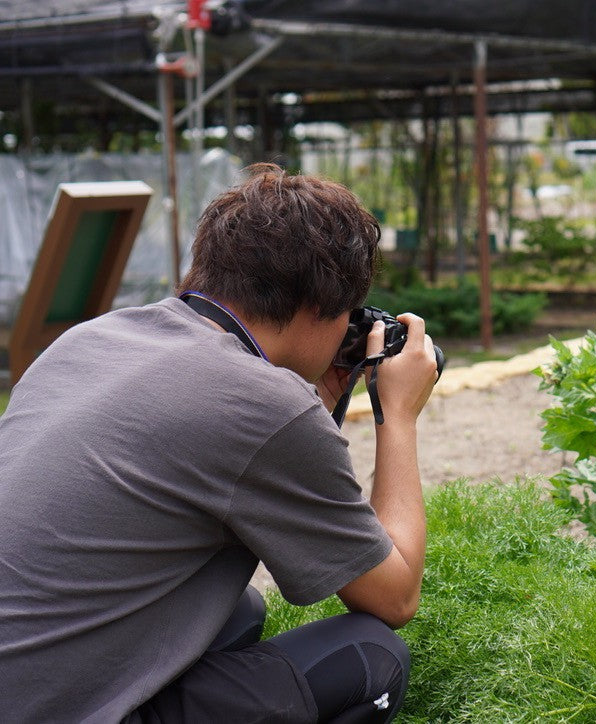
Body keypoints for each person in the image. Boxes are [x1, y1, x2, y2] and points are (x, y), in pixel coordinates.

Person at [0, 164, 438, 722]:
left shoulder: (91, 338)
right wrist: (397, 416)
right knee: (372, 658)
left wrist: (316, 403)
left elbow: (249, 477)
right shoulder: (263, 404)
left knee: (236, 611)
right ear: (316, 307)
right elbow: (393, 596)